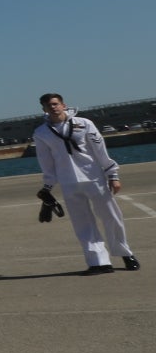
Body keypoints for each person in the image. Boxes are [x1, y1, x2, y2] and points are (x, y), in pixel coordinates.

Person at [34, 94, 139, 274]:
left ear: (63, 105)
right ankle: (98, 261)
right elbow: (47, 162)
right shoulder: (41, 133)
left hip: (94, 178)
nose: (53, 108)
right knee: (82, 223)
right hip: (69, 182)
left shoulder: (84, 123)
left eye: (55, 104)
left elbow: (100, 151)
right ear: (43, 109)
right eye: (48, 105)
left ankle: (124, 253)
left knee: (111, 217)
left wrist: (112, 174)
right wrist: (47, 188)